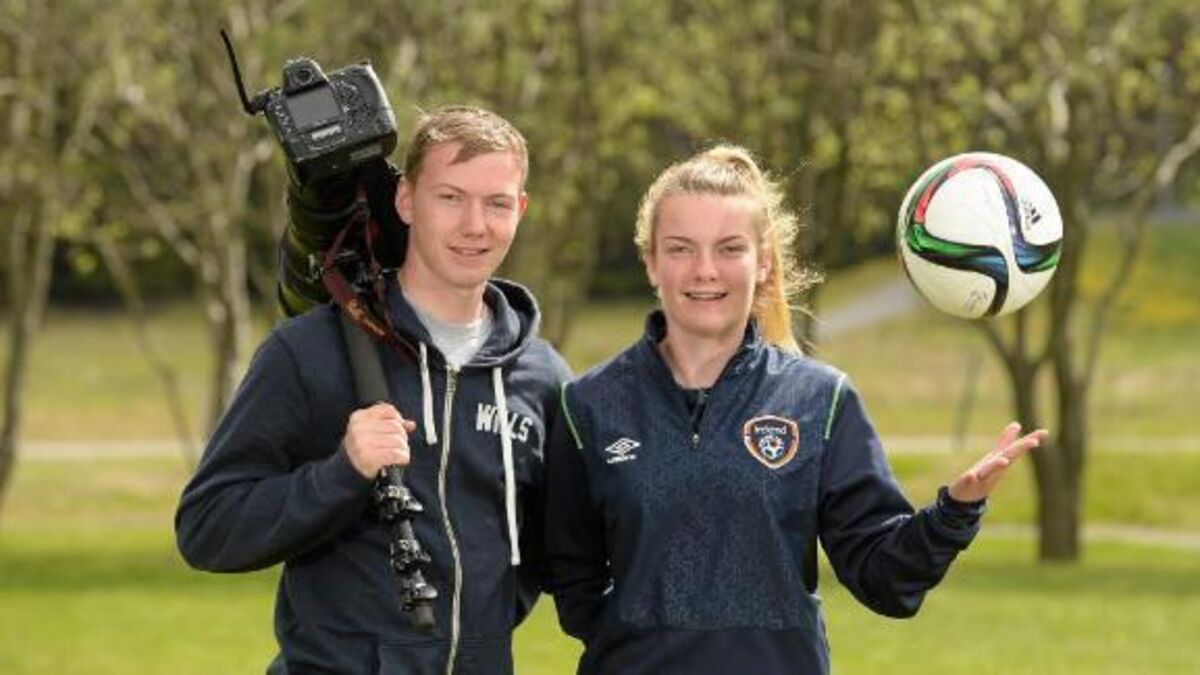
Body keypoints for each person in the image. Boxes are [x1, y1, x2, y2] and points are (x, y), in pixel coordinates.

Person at [543, 144, 1046, 675]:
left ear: (763, 262)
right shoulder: (589, 405)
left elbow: (884, 578)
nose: (705, 270)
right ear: (651, 262)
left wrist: (954, 513)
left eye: (730, 248)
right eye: (681, 249)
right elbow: (575, 584)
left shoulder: (818, 401)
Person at [176, 106, 572, 674]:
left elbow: (557, 554)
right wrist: (342, 472)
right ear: (406, 200)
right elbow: (207, 527)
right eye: (450, 198)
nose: (475, 225)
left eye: (497, 203)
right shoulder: (310, 352)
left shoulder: (542, 376)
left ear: (521, 209)